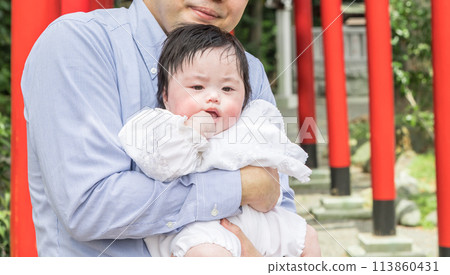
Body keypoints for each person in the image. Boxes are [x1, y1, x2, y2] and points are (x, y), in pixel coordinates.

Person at [21, 0, 319, 256]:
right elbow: (89, 205)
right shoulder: (80, 43)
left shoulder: (247, 68)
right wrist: (242, 186)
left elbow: (279, 207)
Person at [118, 24, 319, 257]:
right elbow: (162, 166)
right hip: (197, 229)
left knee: (306, 237)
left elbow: (270, 195)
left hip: (256, 223)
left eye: (227, 88)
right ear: (165, 96)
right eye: (197, 87)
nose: (213, 97)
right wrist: (190, 133)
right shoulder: (162, 125)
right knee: (210, 254)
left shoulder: (248, 125)